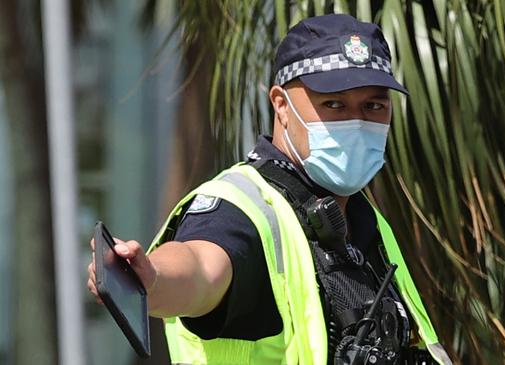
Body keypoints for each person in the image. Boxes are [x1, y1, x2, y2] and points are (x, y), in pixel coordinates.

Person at [87, 13, 452, 365]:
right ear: (281, 104)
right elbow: (200, 267)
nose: (356, 122)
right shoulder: (243, 208)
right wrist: (153, 279)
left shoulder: (365, 220)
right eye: (334, 104)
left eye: (373, 105)